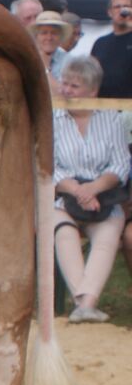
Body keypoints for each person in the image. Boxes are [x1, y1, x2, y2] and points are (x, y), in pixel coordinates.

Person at [52, 55, 128, 323]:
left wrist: (93, 189)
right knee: (63, 232)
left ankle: (84, 304)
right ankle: (85, 304)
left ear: (92, 91)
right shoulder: (53, 118)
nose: (66, 90)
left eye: (74, 86)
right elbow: (47, 165)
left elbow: (121, 164)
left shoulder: (112, 119)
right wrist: (76, 190)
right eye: (64, 83)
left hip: (103, 198)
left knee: (108, 233)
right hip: (63, 197)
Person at [91, 0, 132, 100]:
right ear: (110, 12)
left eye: (126, 6)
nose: (122, 11)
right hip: (103, 108)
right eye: (117, 7)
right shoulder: (100, 43)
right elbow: (91, 75)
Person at [30, 10, 71, 84]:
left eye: (54, 33)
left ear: (61, 37)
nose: (49, 37)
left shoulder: (69, 61)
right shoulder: (27, 57)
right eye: (44, 33)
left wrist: (45, 68)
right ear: (36, 37)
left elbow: (61, 93)